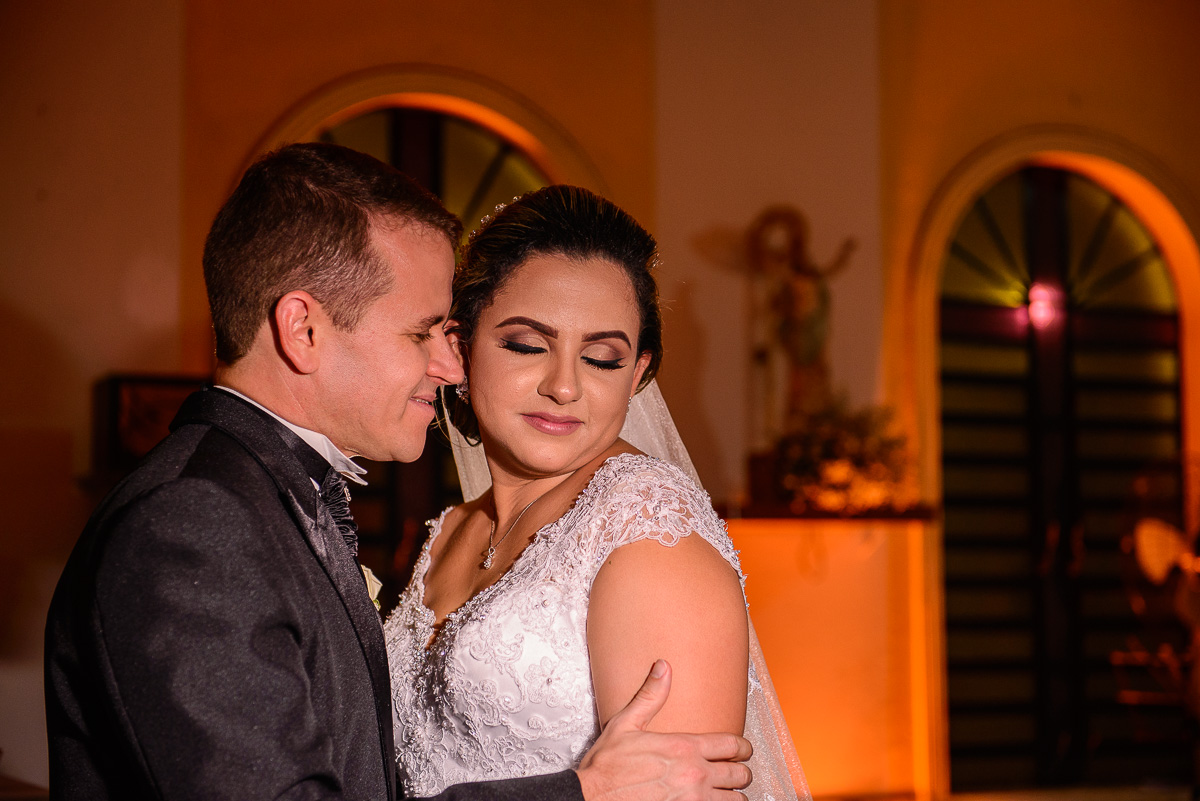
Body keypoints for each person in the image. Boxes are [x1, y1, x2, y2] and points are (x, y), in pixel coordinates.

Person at [44, 144, 753, 800]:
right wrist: (579, 793)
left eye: (601, 356)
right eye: (426, 332)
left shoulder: (647, 530)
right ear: (304, 328)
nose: (443, 365)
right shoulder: (200, 522)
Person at [385, 185, 809, 801]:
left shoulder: (650, 532)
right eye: (528, 346)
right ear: (461, 345)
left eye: (602, 359)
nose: (564, 386)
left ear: (638, 374)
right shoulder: (449, 530)